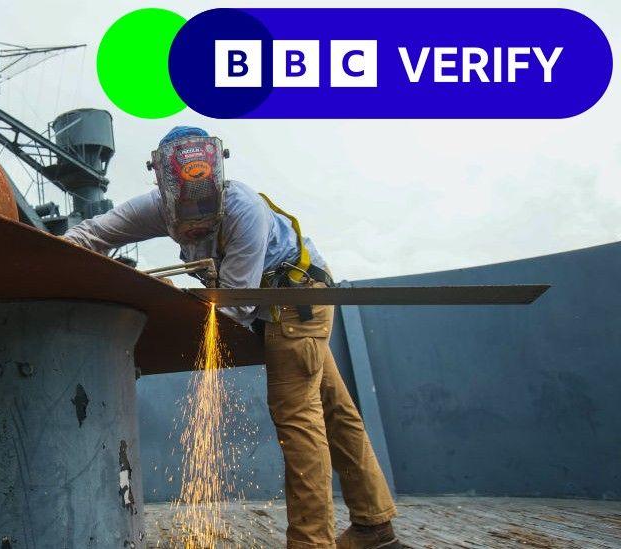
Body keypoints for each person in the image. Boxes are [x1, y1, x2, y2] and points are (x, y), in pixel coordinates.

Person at [63, 126, 404, 549]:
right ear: (162, 183)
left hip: (294, 298)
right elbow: (92, 234)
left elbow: (232, 309)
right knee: (335, 409)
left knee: (297, 414)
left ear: (218, 176)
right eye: (186, 219)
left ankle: (311, 542)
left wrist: (168, 325)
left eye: (204, 216)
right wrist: (47, 257)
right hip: (264, 304)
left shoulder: (244, 211)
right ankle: (374, 526)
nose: (194, 228)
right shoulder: (155, 206)